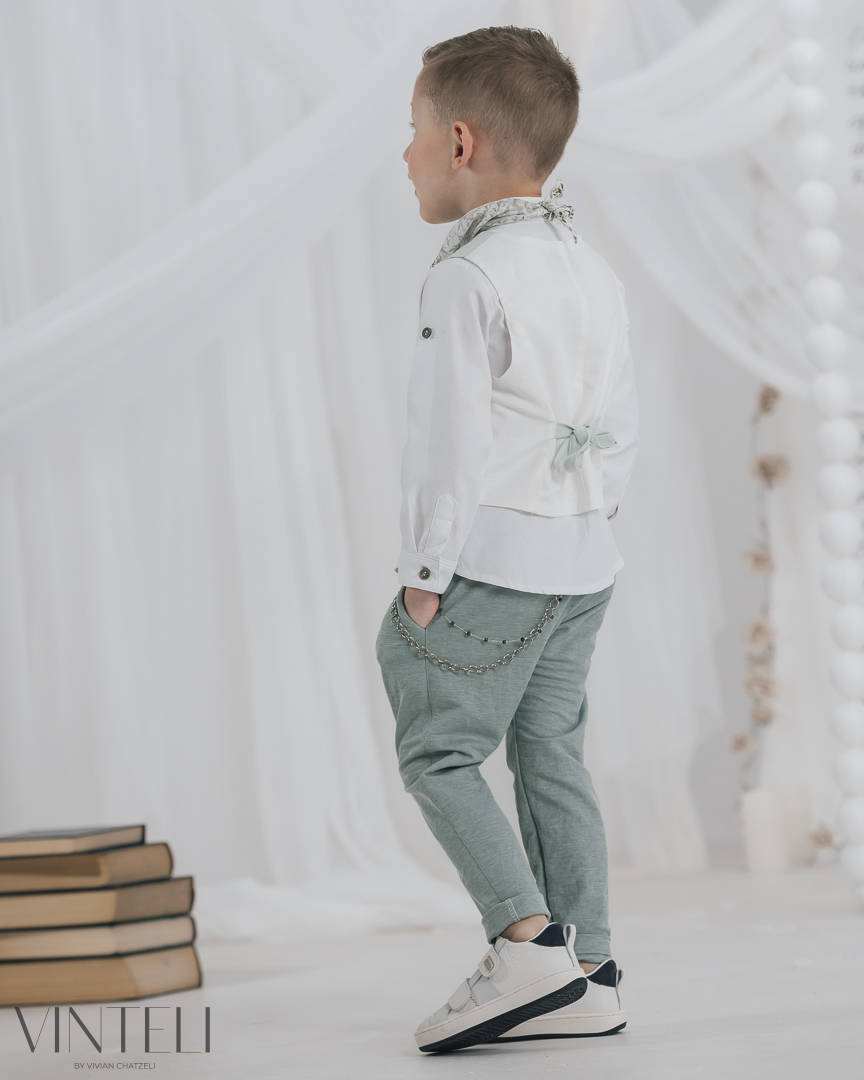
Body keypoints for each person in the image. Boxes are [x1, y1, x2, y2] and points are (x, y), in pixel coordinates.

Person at [376, 25, 638, 1055]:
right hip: (584, 560)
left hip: (496, 557)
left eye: (412, 129)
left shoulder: (467, 275)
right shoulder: (593, 268)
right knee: (549, 752)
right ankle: (591, 970)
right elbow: (620, 425)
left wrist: (424, 571)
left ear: (460, 141)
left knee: (437, 746)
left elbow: (447, 440)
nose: (404, 153)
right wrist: (594, 520)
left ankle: (526, 945)